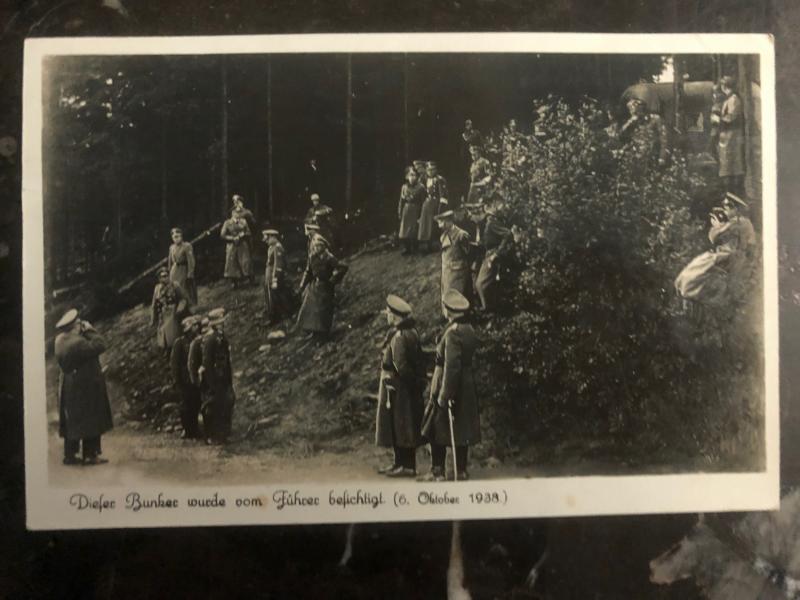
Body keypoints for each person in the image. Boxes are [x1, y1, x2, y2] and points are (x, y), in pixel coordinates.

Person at [420, 290, 480, 481]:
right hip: (466, 384)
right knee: (461, 427)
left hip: (449, 383)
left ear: (450, 311)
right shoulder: (469, 329)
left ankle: (437, 470)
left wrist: (444, 395)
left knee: (437, 426)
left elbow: (451, 366)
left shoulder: (452, 333)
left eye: (445, 308)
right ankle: (461, 470)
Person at [675, 192, 757, 309]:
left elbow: (714, 238)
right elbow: (751, 245)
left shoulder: (736, 222)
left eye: (727, 207)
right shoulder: (744, 223)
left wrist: (717, 225)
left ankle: (687, 294)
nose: (724, 210)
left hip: (728, 255)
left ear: (736, 209)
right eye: (724, 206)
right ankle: (687, 294)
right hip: (730, 255)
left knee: (698, 266)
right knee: (698, 266)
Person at [374, 295, 426, 478]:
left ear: (396, 316)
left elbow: (400, 364)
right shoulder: (412, 332)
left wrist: (408, 382)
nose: (387, 315)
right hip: (404, 385)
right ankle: (400, 463)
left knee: (400, 424)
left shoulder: (399, 336)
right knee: (402, 424)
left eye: (389, 313)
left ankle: (406, 465)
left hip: (398, 386)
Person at [54, 309, 113, 465]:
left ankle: (70, 455)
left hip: (70, 384)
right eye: (79, 324)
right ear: (75, 326)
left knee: (72, 420)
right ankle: (90, 454)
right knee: (91, 416)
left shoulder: (59, 340)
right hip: (85, 384)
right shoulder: (78, 343)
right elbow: (101, 344)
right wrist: (90, 330)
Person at [296, 235, 349, 342]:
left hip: (326, 286)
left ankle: (323, 335)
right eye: (315, 246)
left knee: (323, 311)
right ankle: (313, 331)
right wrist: (302, 284)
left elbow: (342, 267)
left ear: (323, 246)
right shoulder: (312, 257)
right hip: (314, 285)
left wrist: (333, 280)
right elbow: (308, 272)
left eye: (318, 246)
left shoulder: (329, 257)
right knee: (310, 309)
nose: (316, 248)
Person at [199, 308, 235, 445]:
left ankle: (223, 435)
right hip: (214, 378)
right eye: (220, 323)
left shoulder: (222, 338)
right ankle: (211, 436)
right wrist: (211, 382)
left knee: (226, 404)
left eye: (222, 322)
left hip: (223, 377)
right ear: (214, 325)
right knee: (212, 407)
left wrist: (228, 378)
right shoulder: (210, 340)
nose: (222, 324)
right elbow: (207, 363)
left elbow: (227, 359)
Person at [475, 193, 514, 312]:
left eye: (487, 206)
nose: (484, 209)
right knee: (479, 282)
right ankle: (489, 307)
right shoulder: (489, 221)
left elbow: (508, 234)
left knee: (480, 284)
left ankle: (488, 309)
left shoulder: (492, 222)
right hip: (488, 253)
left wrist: (497, 253)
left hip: (492, 255)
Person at [434, 210, 472, 317]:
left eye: (442, 222)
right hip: (447, 270)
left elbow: (468, 253)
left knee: (457, 294)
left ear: (449, 221)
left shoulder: (461, 235)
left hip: (458, 271)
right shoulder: (444, 235)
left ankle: (460, 316)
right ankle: (448, 315)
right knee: (446, 292)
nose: (440, 225)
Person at [712, 76, 746, 196]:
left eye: (723, 85)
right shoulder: (728, 99)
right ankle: (728, 192)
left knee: (732, 165)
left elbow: (731, 117)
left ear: (725, 86)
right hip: (727, 136)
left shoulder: (734, 99)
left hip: (733, 136)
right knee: (726, 164)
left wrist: (718, 119)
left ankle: (733, 192)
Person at [170, 316, 202, 439]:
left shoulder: (198, 340)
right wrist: (176, 380)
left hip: (195, 377)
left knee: (196, 403)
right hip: (184, 380)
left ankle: (195, 429)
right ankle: (187, 429)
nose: (196, 328)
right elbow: (175, 364)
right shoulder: (180, 343)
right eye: (193, 326)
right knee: (186, 405)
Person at [151, 267, 189, 354]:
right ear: (159, 279)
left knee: (173, 333)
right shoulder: (157, 289)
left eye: (167, 275)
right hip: (163, 313)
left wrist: (179, 309)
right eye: (163, 276)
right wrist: (153, 318)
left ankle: (175, 348)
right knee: (163, 332)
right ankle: (166, 348)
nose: (165, 278)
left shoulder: (175, 285)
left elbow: (183, 299)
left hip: (173, 312)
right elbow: (154, 304)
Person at [619, 97, 668, 164]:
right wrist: (629, 123)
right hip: (636, 157)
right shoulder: (633, 123)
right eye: (633, 113)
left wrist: (662, 157)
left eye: (636, 112)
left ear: (642, 110)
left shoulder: (655, 119)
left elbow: (663, 139)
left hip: (652, 156)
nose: (635, 115)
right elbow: (621, 135)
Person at [262, 228, 294, 324]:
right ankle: (275, 316)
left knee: (276, 296)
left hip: (274, 277)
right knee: (272, 296)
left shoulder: (277, 247)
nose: (266, 240)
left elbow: (278, 265)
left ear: (273, 237)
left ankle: (276, 317)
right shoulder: (271, 247)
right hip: (269, 276)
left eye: (267, 238)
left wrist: (275, 279)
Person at [419, 161, 449, 252]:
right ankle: (428, 244)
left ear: (436, 170)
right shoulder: (425, 180)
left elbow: (443, 194)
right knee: (427, 225)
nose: (430, 172)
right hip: (427, 204)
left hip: (436, 204)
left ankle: (441, 243)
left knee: (436, 224)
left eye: (432, 170)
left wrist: (441, 206)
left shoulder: (439, 179)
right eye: (428, 170)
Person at [397, 165, 426, 255]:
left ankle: (415, 247)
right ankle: (407, 248)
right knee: (404, 231)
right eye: (410, 175)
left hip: (415, 210)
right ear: (406, 177)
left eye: (414, 175)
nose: (413, 177)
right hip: (406, 210)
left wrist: (421, 214)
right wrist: (400, 211)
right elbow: (401, 201)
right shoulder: (404, 187)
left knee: (414, 230)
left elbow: (423, 201)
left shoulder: (420, 187)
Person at [220, 211, 251, 289]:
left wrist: (242, 234)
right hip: (232, 245)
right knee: (232, 263)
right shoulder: (227, 222)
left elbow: (248, 232)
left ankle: (246, 279)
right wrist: (232, 238)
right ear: (232, 214)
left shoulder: (243, 221)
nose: (238, 214)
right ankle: (234, 282)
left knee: (244, 261)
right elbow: (222, 235)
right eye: (236, 213)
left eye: (239, 213)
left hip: (242, 244)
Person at [167, 227, 197, 306]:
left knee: (185, 288)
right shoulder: (171, 247)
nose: (176, 239)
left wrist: (190, 273)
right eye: (174, 237)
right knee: (175, 289)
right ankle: (179, 307)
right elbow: (170, 261)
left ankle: (190, 305)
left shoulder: (186, 246)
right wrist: (169, 271)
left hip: (184, 269)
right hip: (175, 270)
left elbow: (191, 261)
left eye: (177, 236)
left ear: (181, 236)